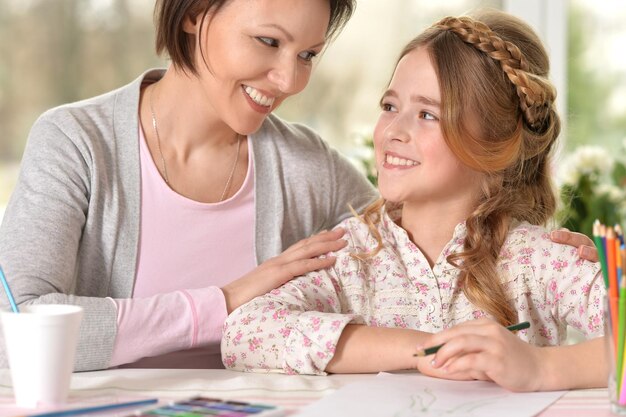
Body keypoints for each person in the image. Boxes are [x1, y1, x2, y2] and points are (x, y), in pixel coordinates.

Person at [221, 10, 607, 392]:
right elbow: (244, 335)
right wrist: (423, 347)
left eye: (426, 114)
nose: (393, 130)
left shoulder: (536, 259)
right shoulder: (353, 254)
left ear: (493, 144)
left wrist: (541, 368)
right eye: (390, 107)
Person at [0, 0, 379, 371]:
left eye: (307, 55)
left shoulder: (308, 166)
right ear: (194, 14)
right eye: (269, 41)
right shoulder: (76, 142)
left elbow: (416, 259)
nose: (289, 80)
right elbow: (12, 330)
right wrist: (223, 303)